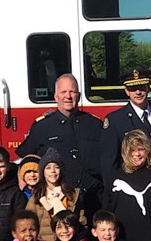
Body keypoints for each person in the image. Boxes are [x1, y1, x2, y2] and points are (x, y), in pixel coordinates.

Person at [16, 74, 104, 218]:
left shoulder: (95, 124)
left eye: (72, 92)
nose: (68, 96)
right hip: (60, 202)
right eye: (63, 92)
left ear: (79, 95)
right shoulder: (42, 127)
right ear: (56, 96)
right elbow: (25, 162)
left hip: (95, 199)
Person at [100, 70, 151, 195]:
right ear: (126, 91)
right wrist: (112, 194)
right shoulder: (115, 120)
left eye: (141, 87)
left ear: (148, 87)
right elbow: (109, 164)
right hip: (134, 190)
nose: (138, 92)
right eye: (133, 88)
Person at [26, 148, 85, 241]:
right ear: (43, 173)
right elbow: (29, 225)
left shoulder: (72, 195)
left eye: (56, 167)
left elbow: (82, 221)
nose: (52, 171)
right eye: (48, 168)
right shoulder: (36, 198)